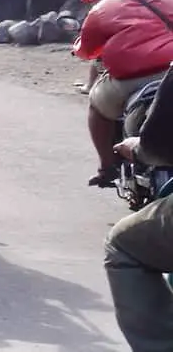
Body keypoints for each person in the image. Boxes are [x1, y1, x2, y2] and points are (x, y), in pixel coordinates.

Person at [73, 0, 173, 187]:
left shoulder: (104, 7)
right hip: (171, 72)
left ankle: (107, 166)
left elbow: (87, 51)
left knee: (97, 104)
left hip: (131, 80)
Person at [105, 63, 173, 351]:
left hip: (128, 76)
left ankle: (103, 167)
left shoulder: (105, 16)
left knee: (122, 244)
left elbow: (159, 144)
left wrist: (138, 149)